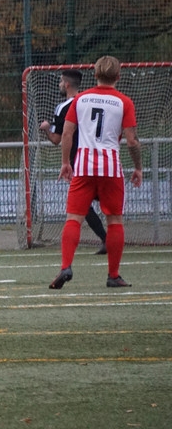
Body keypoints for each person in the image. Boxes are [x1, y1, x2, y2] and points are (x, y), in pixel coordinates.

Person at [49, 56, 142, 289]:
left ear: (95, 74)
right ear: (118, 77)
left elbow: (67, 134)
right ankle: (113, 275)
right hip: (111, 169)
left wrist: (65, 163)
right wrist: (138, 167)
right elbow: (132, 141)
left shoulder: (80, 99)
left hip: (83, 167)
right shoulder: (124, 102)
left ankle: (66, 266)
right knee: (114, 220)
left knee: (74, 218)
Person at [38, 69, 107, 255]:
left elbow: (57, 139)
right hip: (102, 159)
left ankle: (106, 239)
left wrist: (45, 128)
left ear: (67, 84)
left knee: (81, 205)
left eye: (61, 81)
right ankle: (109, 239)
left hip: (79, 161)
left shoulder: (64, 107)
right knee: (106, 201)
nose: (59, 84)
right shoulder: (90, 101)